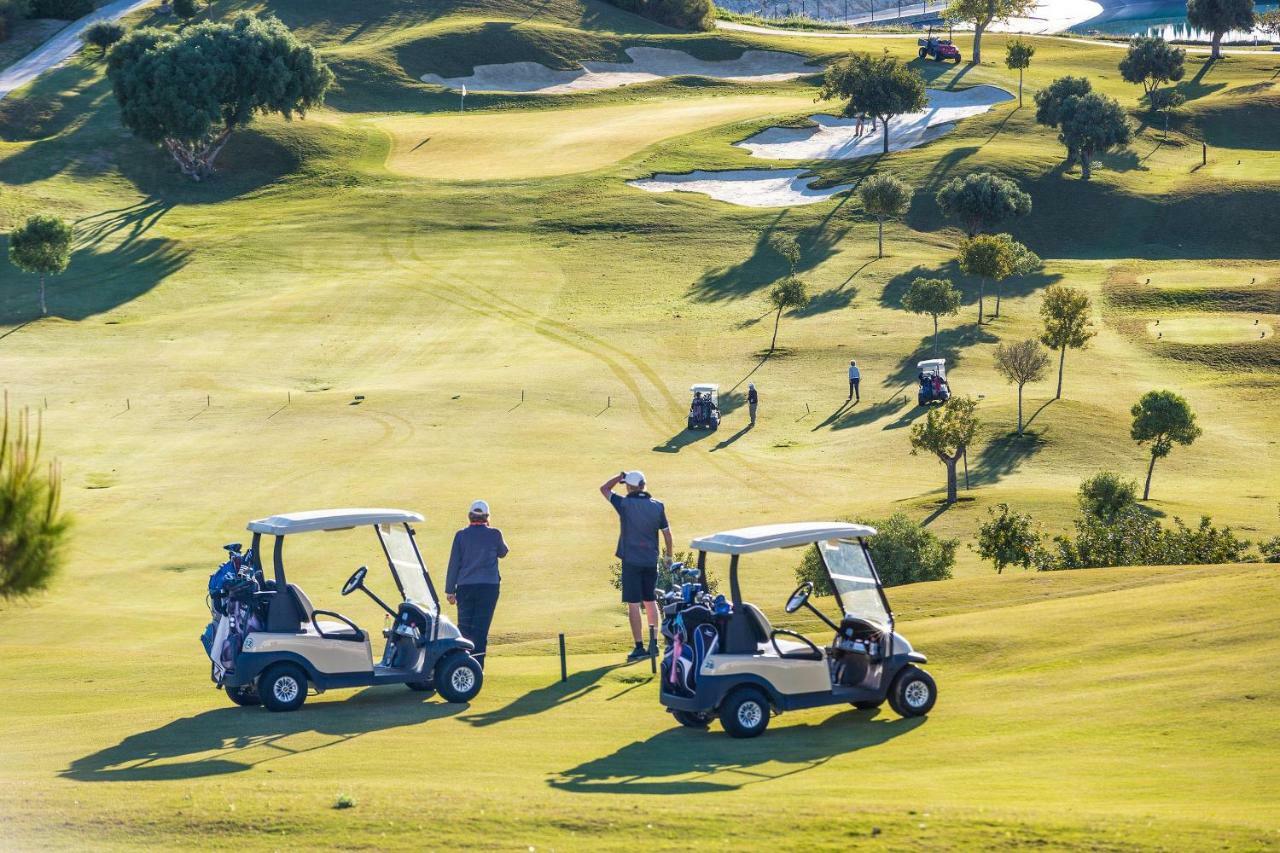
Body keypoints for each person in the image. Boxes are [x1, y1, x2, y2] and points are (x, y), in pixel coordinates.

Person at [600, 470, 673, 662]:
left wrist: (618, 477)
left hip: (631, 561)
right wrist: (669, 557)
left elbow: (604, 489)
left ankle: (639, 646)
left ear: (630, 487)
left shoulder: (624, 504)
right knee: (650, 600)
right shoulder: (657, 506)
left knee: (633, 604)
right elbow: (667, 533)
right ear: (643, 485)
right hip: (650, 561)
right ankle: (654, 643)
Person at [445, 499, 508, 670]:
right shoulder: (495, 534)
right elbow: (503, 552)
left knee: (464, 629)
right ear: (487, 517)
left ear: (469, 516)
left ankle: (462, 666)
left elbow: (454, 563)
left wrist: (450, 591)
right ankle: (477, 669)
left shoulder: (461, 535)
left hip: (465, 588)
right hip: (489, 588)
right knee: (481, 630)